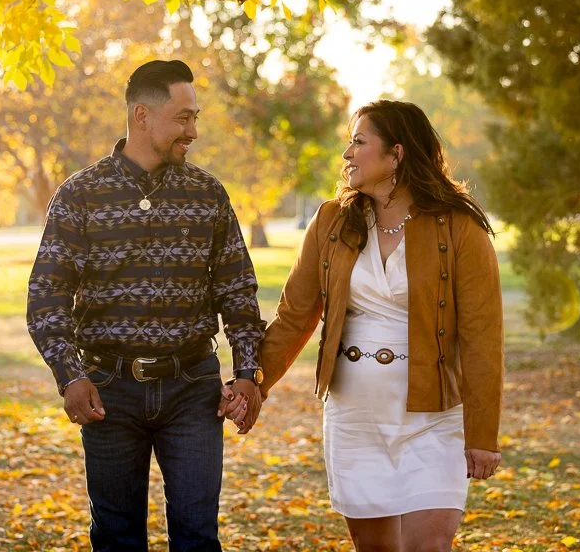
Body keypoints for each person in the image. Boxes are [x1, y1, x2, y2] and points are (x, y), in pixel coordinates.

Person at [26, 59, 265, 552]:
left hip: (193, 389)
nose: (193, 131)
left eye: (195, 117)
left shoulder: (208, 194)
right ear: (142, 116)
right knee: (116, 538)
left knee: (198, 538)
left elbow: (238, 293)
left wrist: (247, 372)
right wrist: (70, 376)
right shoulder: (80, 195)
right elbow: (47, 298)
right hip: (109, 393)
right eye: (183, 118)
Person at [258, 100, 504, 552]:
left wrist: (482, 434)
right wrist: (256, 384)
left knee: (430, 546)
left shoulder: (460, 227)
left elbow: (482, 337)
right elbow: (294, 315)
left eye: (358, 141)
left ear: (396, 153)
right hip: (354, 416)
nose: (347, 154)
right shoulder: (332, 221)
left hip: (431, 418)